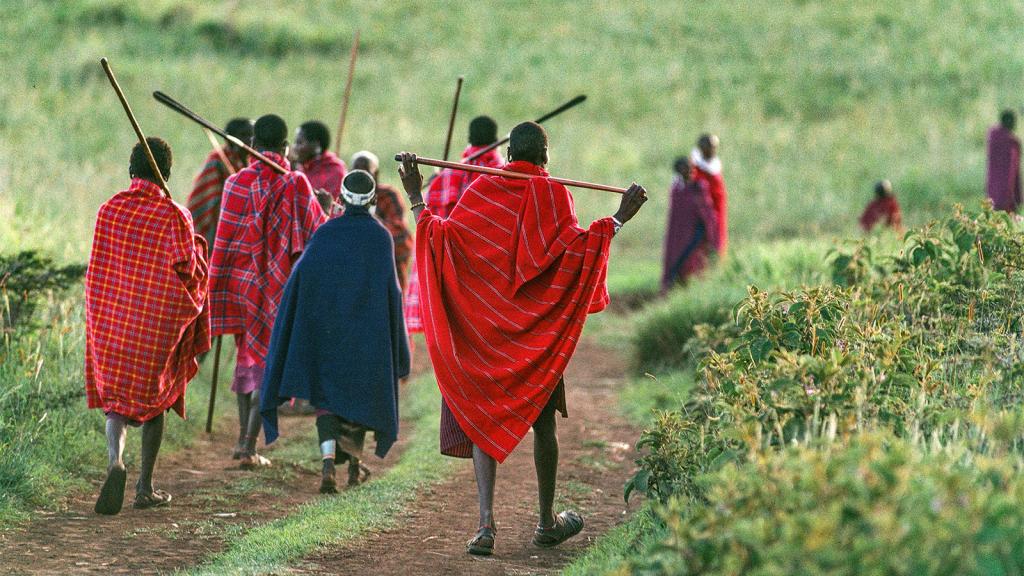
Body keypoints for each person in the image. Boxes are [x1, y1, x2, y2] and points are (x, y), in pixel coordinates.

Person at [396, 121, 648, 556]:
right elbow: (578, 251)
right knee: (543, 424)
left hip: (484, 339)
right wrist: (620, 218)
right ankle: (547, 522)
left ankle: (485, 526)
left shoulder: (479, 192)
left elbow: (441, 238)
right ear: (545, 157)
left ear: (509, 155)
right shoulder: (555, 196)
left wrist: (416, 194)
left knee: (480, 420)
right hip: (534, 343)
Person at [261, 170, 410, 494]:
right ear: (372, 201)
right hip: (366, 336)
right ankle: (354, 468)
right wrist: (400, 346)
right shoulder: (380, 237)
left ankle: (328, 465)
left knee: (328, 398)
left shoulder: (326, 232)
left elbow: (300, 279)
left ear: (341, 200)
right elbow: (392, 291)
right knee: (358, 397)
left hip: (328, 334)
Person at [85, 137, 211, 515]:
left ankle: (114, 461)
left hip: (111, 323)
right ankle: (145, 487)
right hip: (154, 327)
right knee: (160, 399)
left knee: (116, 404)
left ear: (130, 171)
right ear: (167, 173)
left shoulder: (109, 210)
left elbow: (98, 268)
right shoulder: (175, 215)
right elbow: (190, 272)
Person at [209, 114, 327, 469]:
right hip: (280, 288)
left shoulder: (235, 183)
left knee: (248, 358)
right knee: (269, 363)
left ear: (254, 146)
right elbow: (317, 231)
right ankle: (248, 444)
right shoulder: (295, 183)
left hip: (242, 286)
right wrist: (324, 202)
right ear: (285, 147)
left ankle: (242, 441)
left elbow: (224, 240)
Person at [405, 116, 503, 345]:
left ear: (468, 139)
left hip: (451, 267)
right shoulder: (503, 175)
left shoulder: (446, 176)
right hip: (488, 272)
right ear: (497, 141)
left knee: (456, 338)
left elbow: (428, 225)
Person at [185, 118, 253, 248]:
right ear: (230, 139)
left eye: (253, 135)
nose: (250, 140)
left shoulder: (255, 163)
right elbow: (204, 198)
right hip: (219, 226)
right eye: (244, 135)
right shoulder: (217, 160)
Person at [351, 151, 414, 290]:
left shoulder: (388, 196)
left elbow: (402, 239)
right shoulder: (344, 200)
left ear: (376, 174)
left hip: (385, 280)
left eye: (366, 173)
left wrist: (368, 219)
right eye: (356, 173)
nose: (361, 179)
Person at [661, 157, 719, 293]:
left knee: (694, 267)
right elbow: (675, 217)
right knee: (677, 266)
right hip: (678, 237)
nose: (689, 170)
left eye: (690, 167)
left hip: (696, 236)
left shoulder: (699, 187)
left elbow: (707, 213)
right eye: (684, 168)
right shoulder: (677, 190)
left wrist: (709, 235)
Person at [292, 120, 347, 202]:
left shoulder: (335, 172)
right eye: (295, 143)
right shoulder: (301, 168)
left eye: (299, 143)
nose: (295, 148)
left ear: (316, 145)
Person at [691, 133, 728, 253]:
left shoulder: (715, 166)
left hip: (717, 210)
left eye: (714, 146)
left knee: (716, 242)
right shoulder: (693, 167)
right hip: (700, 213)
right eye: (710, 146)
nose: (713, 149)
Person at [986, 109, 1021, 213]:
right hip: (1006, 192)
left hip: (992, 188)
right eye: (1013, 121)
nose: (1015, 125)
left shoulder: (993, 137)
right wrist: (1014, 195)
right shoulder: (1011, 143)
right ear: (1009, 122)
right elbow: (1012, 170)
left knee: (994, 219)